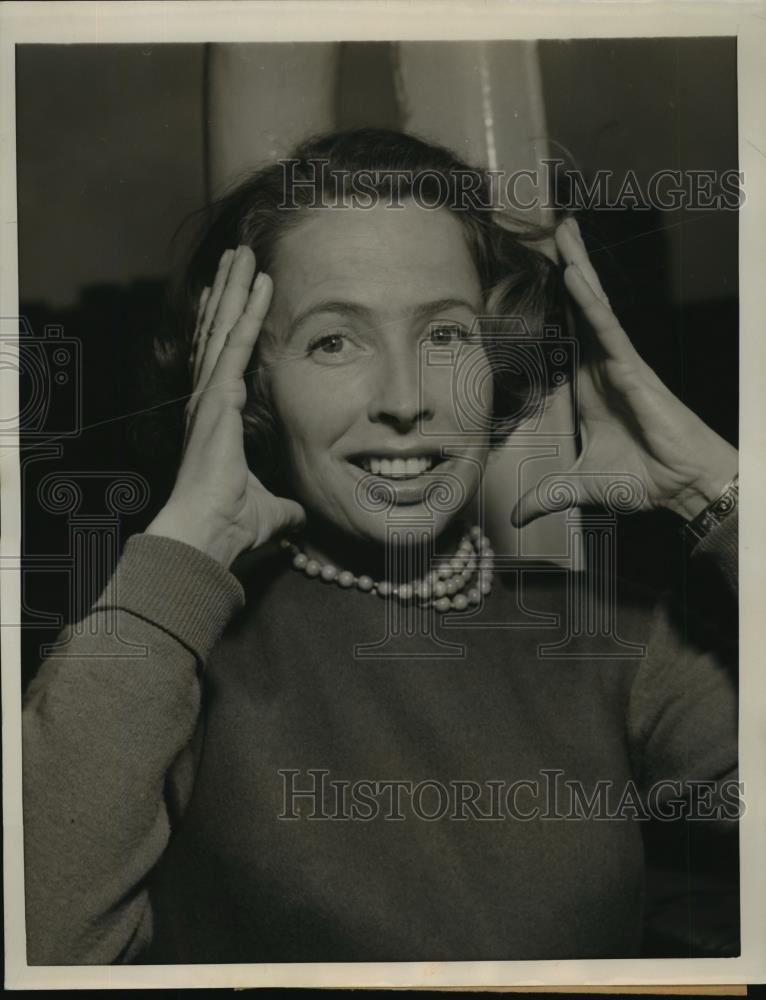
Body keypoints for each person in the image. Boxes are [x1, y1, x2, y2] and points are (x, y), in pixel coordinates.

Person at [22, 128, 739, 965]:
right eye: (334, 340)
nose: (405, 400)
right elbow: (39, 940)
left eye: (445, 336)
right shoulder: (173, 659)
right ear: (250, 382)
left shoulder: (617, 639)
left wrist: (719, 495)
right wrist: (188, 540)